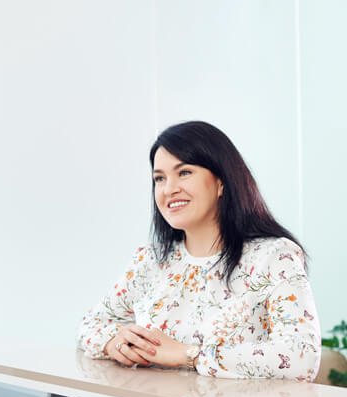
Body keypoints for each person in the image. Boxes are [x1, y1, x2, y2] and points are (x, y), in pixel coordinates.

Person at [76, 121, 321, 381]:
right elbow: (89, 325)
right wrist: (114, 340)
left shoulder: (274, 256)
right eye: (159, 178)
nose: (169, 189)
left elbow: (301, 358)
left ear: (221, 182)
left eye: (184, 173)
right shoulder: (148, 260)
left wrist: (188, 355)